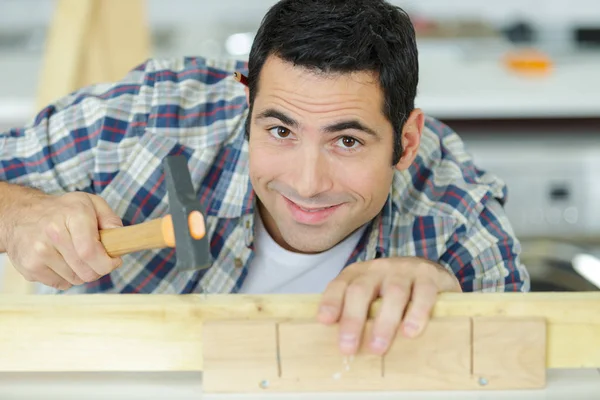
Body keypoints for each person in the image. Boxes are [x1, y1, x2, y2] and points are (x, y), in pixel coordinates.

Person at [0, 0, 529, 356]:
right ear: (246, 102)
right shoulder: (150, 117)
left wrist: (454, 300)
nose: (306, 182)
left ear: (406, 143)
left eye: (347, 141)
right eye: (279, 130)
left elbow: (520, 356)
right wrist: (21, 215)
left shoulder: (454, 213)